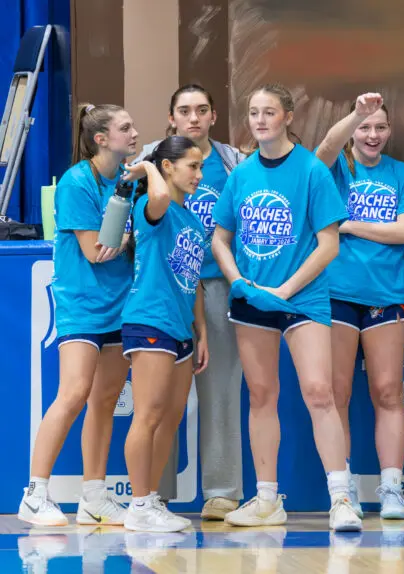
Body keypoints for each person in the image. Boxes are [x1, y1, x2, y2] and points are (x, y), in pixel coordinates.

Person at [211, 83, 360, 531]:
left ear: (288, 117)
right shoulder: (240, 175)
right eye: (254, 112)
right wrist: (237, 279)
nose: (260, 120)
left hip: (304, 297)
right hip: (253, 298)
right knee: (261, 395)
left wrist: (287, 289)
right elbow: (220, 237)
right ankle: (266, 500)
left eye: (269, 112)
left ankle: (341, 499)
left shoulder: (312, 171)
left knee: (319, 392)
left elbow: (329, 244)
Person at [18, 104, 137, 527]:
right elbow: (96, 251)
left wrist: (125, 234)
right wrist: (129, 234)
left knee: (104, 401)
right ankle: (34, 493)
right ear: (101, 138)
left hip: (121, 307)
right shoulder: (75, 182)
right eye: (125, 127)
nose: (135, 132)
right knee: (72, 394)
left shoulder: (129, 179)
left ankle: (94, 495)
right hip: (83, 305)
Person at [134, 84, 248, 520]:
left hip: (216, 287)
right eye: (185, 110)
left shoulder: (232, 161)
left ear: (214, 116)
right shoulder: (149, 160)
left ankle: (221, 491)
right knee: (160, 401)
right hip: (164, 291)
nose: (194, 118)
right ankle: (153, 494)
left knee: (221, 390)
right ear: (171, 117)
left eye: (202, 110)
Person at [315, 94, 404, 520]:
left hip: (386, 295)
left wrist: (346, 224)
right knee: (337, 393)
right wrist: (354, 114)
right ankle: (342, 492)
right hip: (337, 294)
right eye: (365, 127)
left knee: (387, 391)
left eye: (380, 127)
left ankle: (392, 488)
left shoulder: (403, 174)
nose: (372, 135)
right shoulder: (335, 170)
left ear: (390, 131)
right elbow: (324, 149)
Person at [119, 136, 209, 532]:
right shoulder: (150, 207)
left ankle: (150, 498)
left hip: (180, 329)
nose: (199, 175)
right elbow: (157, 193)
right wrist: (148, 165)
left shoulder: (192, 220)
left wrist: (201, 331)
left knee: (170, 419)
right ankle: (138, 504)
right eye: (192, 166)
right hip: (150, 320)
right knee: (149, 415)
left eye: (201, 167)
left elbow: (195, 283)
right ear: (169, 167)